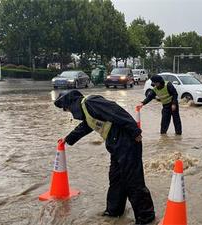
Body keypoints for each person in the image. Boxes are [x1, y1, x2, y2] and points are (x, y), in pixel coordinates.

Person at [54, 90, 155, 225]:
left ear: (70, 104)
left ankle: (146, 218)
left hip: (127, 141)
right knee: (116, 179)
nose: (67, 111)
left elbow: (117, 112)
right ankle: (114, 211)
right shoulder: (87, 111)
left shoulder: (91, 102)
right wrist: (68, 138)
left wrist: (135, 131)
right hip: (115, 144)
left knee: (133, 180)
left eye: (66, 109)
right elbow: (86, 126)